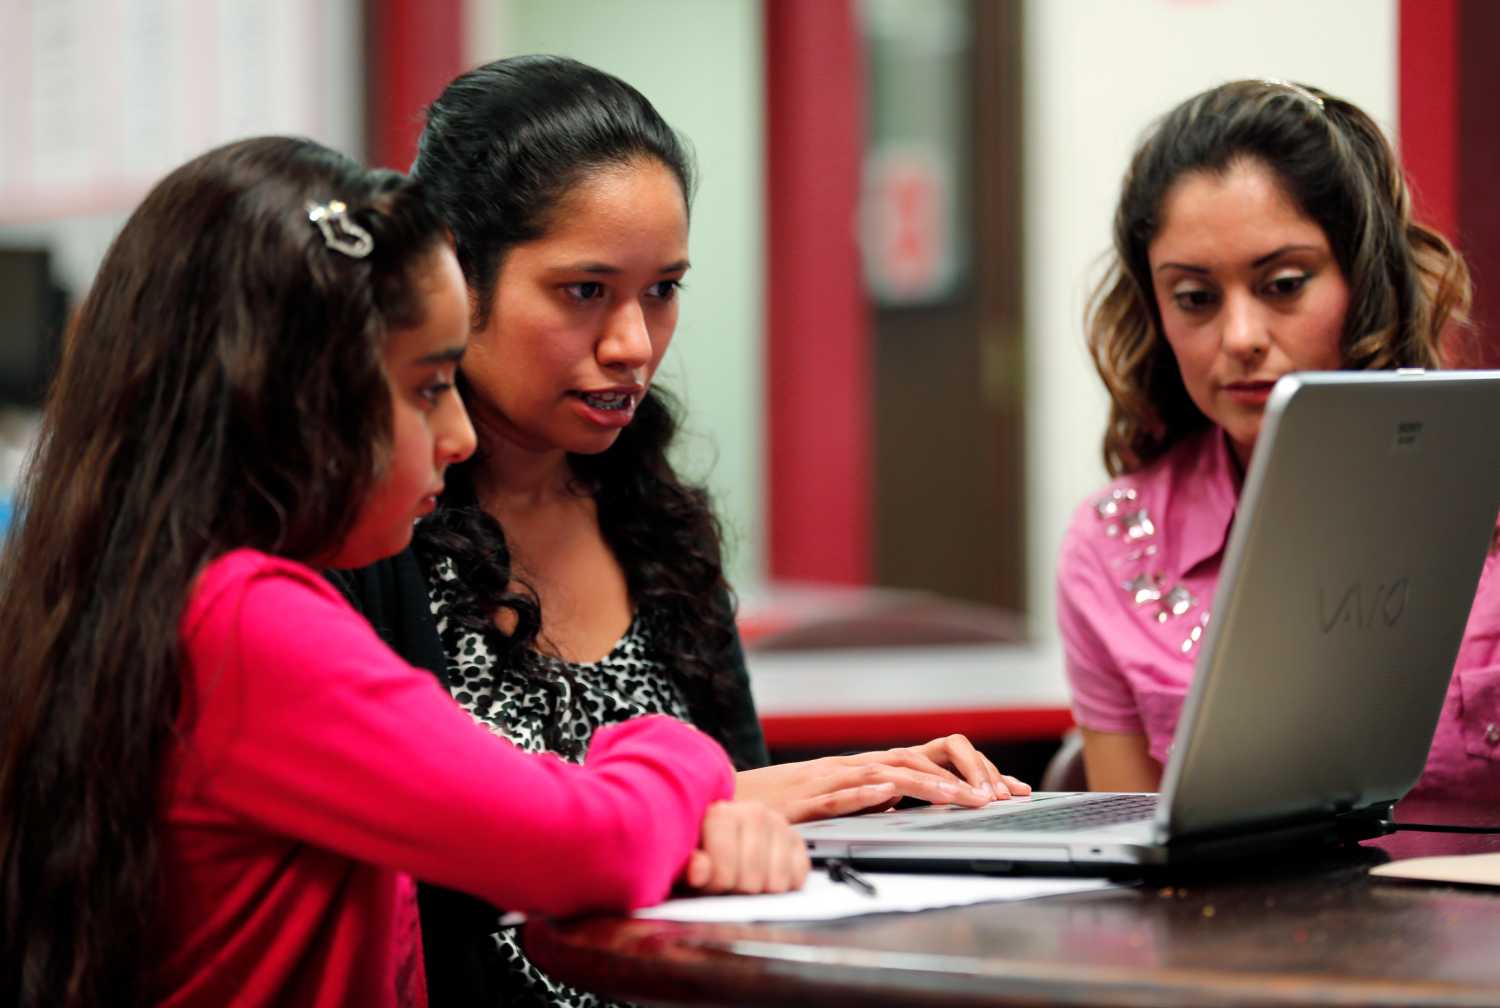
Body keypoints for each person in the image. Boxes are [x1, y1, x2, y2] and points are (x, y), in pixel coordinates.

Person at [0, 136, 808, 1008]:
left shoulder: (144, 585)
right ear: (297, 399)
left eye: (662, 290)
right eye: (429, 389)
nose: (457, 435)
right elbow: (583, 846)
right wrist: (674, 747)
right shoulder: (252, 624)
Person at [332, 55, 1030, 1006]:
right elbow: (408, 866)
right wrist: (706, 809)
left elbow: (742, 817)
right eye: (585, 291)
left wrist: (872, 804)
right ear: (456, 273)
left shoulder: (652, 520)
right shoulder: (371, 536)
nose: (633, 344)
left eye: (662, 290)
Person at [1057, 78, 1494, 802]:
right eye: (1195, 299)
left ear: (1363, 278)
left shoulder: (1486, 481)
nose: (1241, 338)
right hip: (1227, 920)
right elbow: (1136, 874)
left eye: (1284, 284)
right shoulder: (1112, 546)